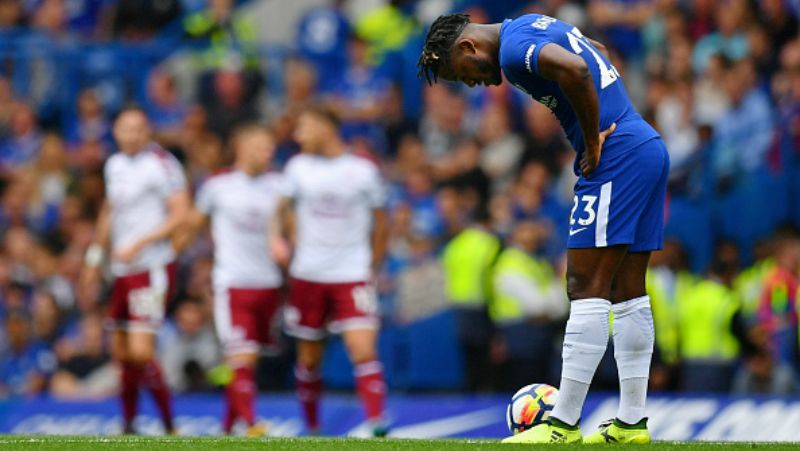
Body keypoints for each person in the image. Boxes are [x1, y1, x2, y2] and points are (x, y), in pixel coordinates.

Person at [418, 13, 670, 444]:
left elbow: (575, 69)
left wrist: (592, 141)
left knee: (583, 284)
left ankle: (562, 425)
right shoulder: (530, 23)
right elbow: (598, 52)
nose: (472, 84)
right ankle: (631, 423)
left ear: (467, 48)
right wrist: (616, 114)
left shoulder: (515, 53)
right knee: (627, 290)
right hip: (644, 144)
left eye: (461, 75)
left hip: (618, 154)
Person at [276, 106, 389, 437]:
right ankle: (312, 428)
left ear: (326, 127)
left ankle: (377, 424)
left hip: (351, 272)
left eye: (304, 126)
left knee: (363, 348)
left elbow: (382, 224)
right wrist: (285, 238)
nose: (298, 135)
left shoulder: (362, 170)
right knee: (309, 358)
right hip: (308, 274)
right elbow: (283, 210)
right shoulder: (297, 168)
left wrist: (371, 266)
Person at [80, 107, 189, 434]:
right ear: (115, 131)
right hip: (121, 270)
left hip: (151, 267)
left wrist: (141, 242)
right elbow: (109, 211)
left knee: (141, 352)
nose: (132, 136)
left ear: (148, 131)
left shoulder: (162, 165)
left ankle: (170, 426)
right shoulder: (114, 165)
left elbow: (181, 213)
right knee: (122, 353)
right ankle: (128, 424)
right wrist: (94, 259)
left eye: (138, 130)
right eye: (126, 129)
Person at [188, 124, 284, 435]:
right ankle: (252, 424)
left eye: (270, 146)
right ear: (241, 147)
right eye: (260, 145)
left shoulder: (279, 185)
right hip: (232, 283)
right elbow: (192, 224)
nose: (267, 151)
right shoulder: (218, 186)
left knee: (246, 362)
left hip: (268, 284)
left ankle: (226, 432)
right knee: (241, 356)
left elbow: (292, 226)